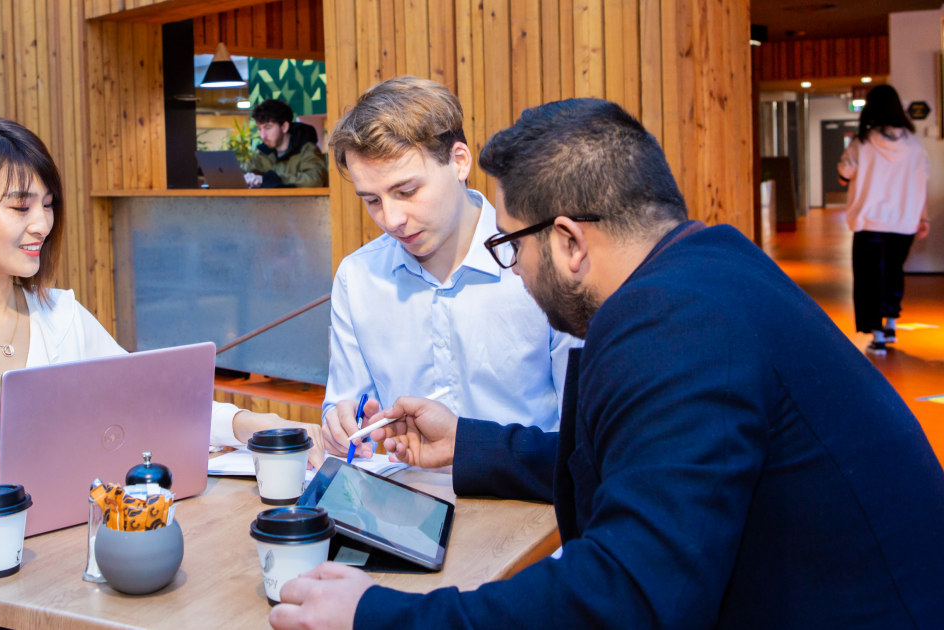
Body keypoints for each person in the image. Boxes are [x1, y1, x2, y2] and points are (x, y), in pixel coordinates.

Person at [269, 99, 944, 629]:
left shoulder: (672, 331)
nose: (513, 266)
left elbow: (627, 599)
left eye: (510, 246)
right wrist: (470, 444)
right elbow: (643, 465)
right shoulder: (707, 269)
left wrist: (377, 614)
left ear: (567, 242)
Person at [0, 116, 326, 629]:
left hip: (65, 577)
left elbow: (153, 412)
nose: (42, 224)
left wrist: (249, 425)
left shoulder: (63, 317)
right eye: (20, 206)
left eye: (47, 205)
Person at [319, 76, 578, 460]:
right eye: (372, 199)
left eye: (406, 191)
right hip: (404, 508)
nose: (391, 219)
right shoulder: (356, 278)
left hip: (529, 508)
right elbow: (345, 404)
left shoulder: (545, 263)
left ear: (459, 161)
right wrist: (339, 422)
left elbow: (583, 438)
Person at [838, 84, 931, 354]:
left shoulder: (863, 142)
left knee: (870, 279)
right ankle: (891, 325)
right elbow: (921, 183)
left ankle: (877, 335)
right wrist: (923, 218)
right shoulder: (914, 145)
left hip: (870, 223)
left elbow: (845, 173)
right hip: (904, 222)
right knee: (893, 273)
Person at [243, 99, 328, 188]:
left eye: (268, 128)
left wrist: (273, 180)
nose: (263, 135)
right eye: (260, 129)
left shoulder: (307, 150)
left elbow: (315, 180)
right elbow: (237, 173)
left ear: (284, 127)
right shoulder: (262, 155)